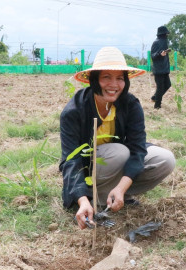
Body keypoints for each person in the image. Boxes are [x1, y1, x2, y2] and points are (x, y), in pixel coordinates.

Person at [60, 46, 176, 230]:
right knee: (119, 152)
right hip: (89, 171)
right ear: (94, 80)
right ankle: (87, 200)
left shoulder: (130, 105)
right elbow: (70, 160)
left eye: (120, 78)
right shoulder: (74, 112)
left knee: (165, 159)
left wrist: (122, 188)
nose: (114, 85)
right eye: (106, 77)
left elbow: (138, 149)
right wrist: (81, 199)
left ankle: (118, 196)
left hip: (117, 167)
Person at [151, 25, 172, 109]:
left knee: (168, 85)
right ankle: (157, 106)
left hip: (165, 69)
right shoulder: (156, 42)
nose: (166, 36)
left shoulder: (164, 43)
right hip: (158, 69)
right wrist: (160, 54)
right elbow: (153, 55)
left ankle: (155, 97)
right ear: (162, 34)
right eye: (165, 34)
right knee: (160, 88)